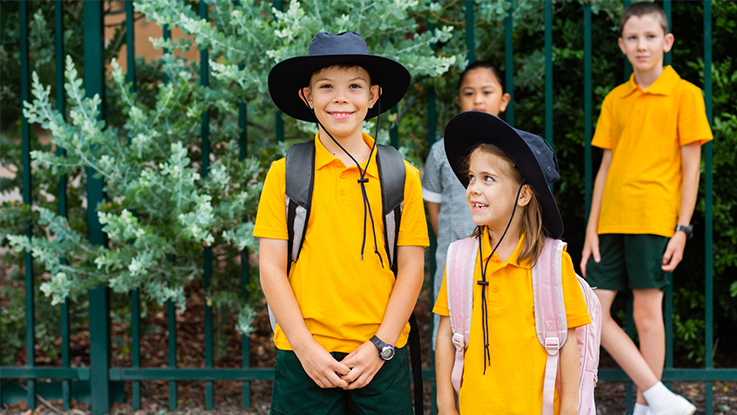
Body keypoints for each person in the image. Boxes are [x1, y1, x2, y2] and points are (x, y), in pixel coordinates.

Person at [253, 31, 429, 415]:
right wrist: (304, 347)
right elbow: (270, 266)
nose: (341, 98)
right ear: (308, 97)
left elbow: (412, 268)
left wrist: (381, 345)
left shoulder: (402, 176)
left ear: (373, 95)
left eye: (354, 86)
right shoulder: (285, 174)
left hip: (381, 356)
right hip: (304, 357)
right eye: (326, 86)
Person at [580, 3, 712, 415]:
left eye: (651, 37)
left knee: (646, 313)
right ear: (621, 45)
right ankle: (659, 398)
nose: (642, 45)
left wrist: (683, 229)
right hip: (610, 221)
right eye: (633, 38)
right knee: (591, 311)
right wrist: (590, 229)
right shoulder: (615, 99)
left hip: (655, 219)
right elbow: (605, 169)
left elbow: (692, 171)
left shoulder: (686, 95)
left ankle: (645, 407)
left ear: (667, 42)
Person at [434, 112, 591, 414]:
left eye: (488, 179)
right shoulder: (461, 260)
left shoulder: (552, 263)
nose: (473, 188)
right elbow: (445, 334)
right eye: (471, 178)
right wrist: (444, 404)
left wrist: (571, 408)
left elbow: (568, 341)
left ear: (524, 195)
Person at [422, 61, 510, 346]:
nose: (479, 99)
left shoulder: (514, 151)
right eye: (469, 93)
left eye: (487, 91)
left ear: (504, 100)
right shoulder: (441, 151)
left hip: (503, 259)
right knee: (451, 330)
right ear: (459, 99)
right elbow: (433, 203)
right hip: (454, 259)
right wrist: (455, 244)